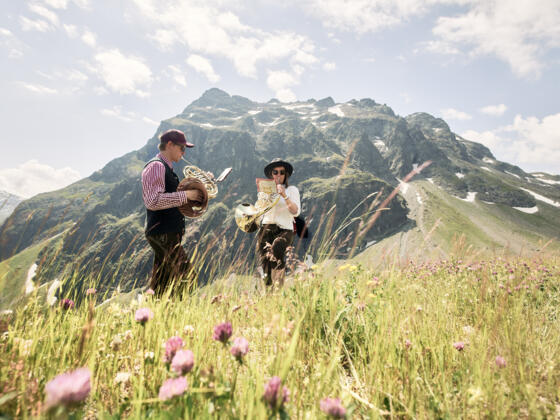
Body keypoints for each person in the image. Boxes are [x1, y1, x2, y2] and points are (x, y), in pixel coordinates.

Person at [141, 129, 204, 297]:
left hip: (166, 232)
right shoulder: (156, 166)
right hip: (163, 232)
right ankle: (180, 310)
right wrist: (187, 195)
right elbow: (153, 201)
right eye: (182, 148)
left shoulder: (166, 168)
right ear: (169, 145)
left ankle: (156, 310)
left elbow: (170, 200)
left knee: (162, 284)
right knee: (187, 278)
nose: (183, 153)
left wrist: (197, 193)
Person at [257, 158, 301, 287]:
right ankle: (269, 293)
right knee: (265, 264)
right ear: (271, 174)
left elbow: (295, 212)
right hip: (266, 228)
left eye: (282, 172)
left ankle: (278, 289)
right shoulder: (265, 192)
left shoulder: (292, 190)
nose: (278, 175)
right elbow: (260, 212)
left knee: (278, 247)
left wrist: (284, 196)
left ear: (286, 175)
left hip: (285, 229)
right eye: (275, 172)